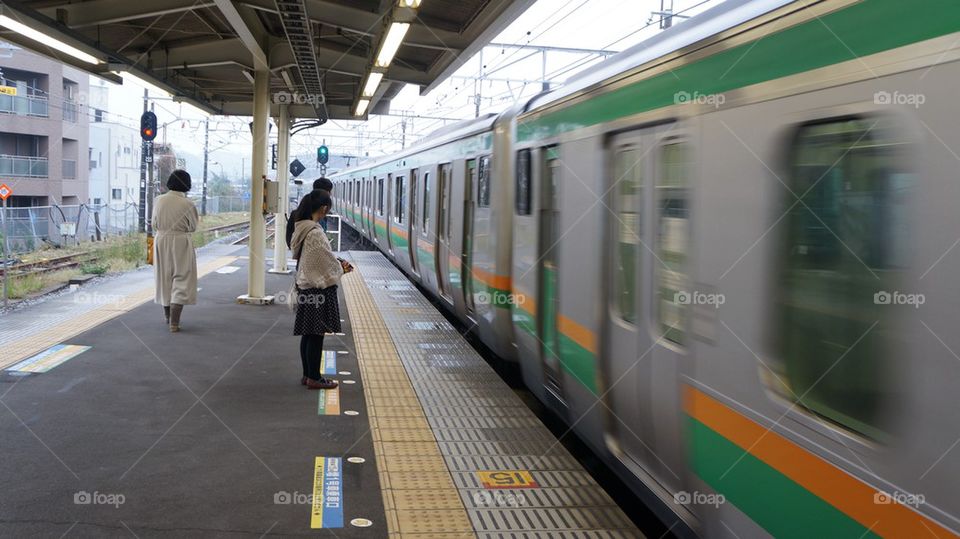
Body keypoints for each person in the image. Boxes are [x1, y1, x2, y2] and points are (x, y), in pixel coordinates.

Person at [290, 191, 351, 390]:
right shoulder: (315, 232)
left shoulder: (302, 227)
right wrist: (341, 267)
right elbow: (323, 264)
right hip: (317, 290)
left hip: (306, 287)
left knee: (308, 334)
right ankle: (315, 377)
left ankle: (308, 375)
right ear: (324, 208)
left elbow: (316, 259)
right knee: (316, 335)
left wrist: (334, 263)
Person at [153, 170, 199, 332]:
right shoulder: (188, 204)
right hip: (180, 241)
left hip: (160, 239)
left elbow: (154, 222)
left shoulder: (158, 200)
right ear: (186, 184)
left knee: (164, 277)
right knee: (182, 277)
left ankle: (167, 317)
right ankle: (175, 322)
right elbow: (192, 227)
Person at [286, 177, 334, 249]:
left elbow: (289, 241)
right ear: (326, 193)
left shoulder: (298, 212)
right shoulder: (317, 220)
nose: (330, 194)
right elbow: (321, 248)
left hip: (301, 257)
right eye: (329, 192)